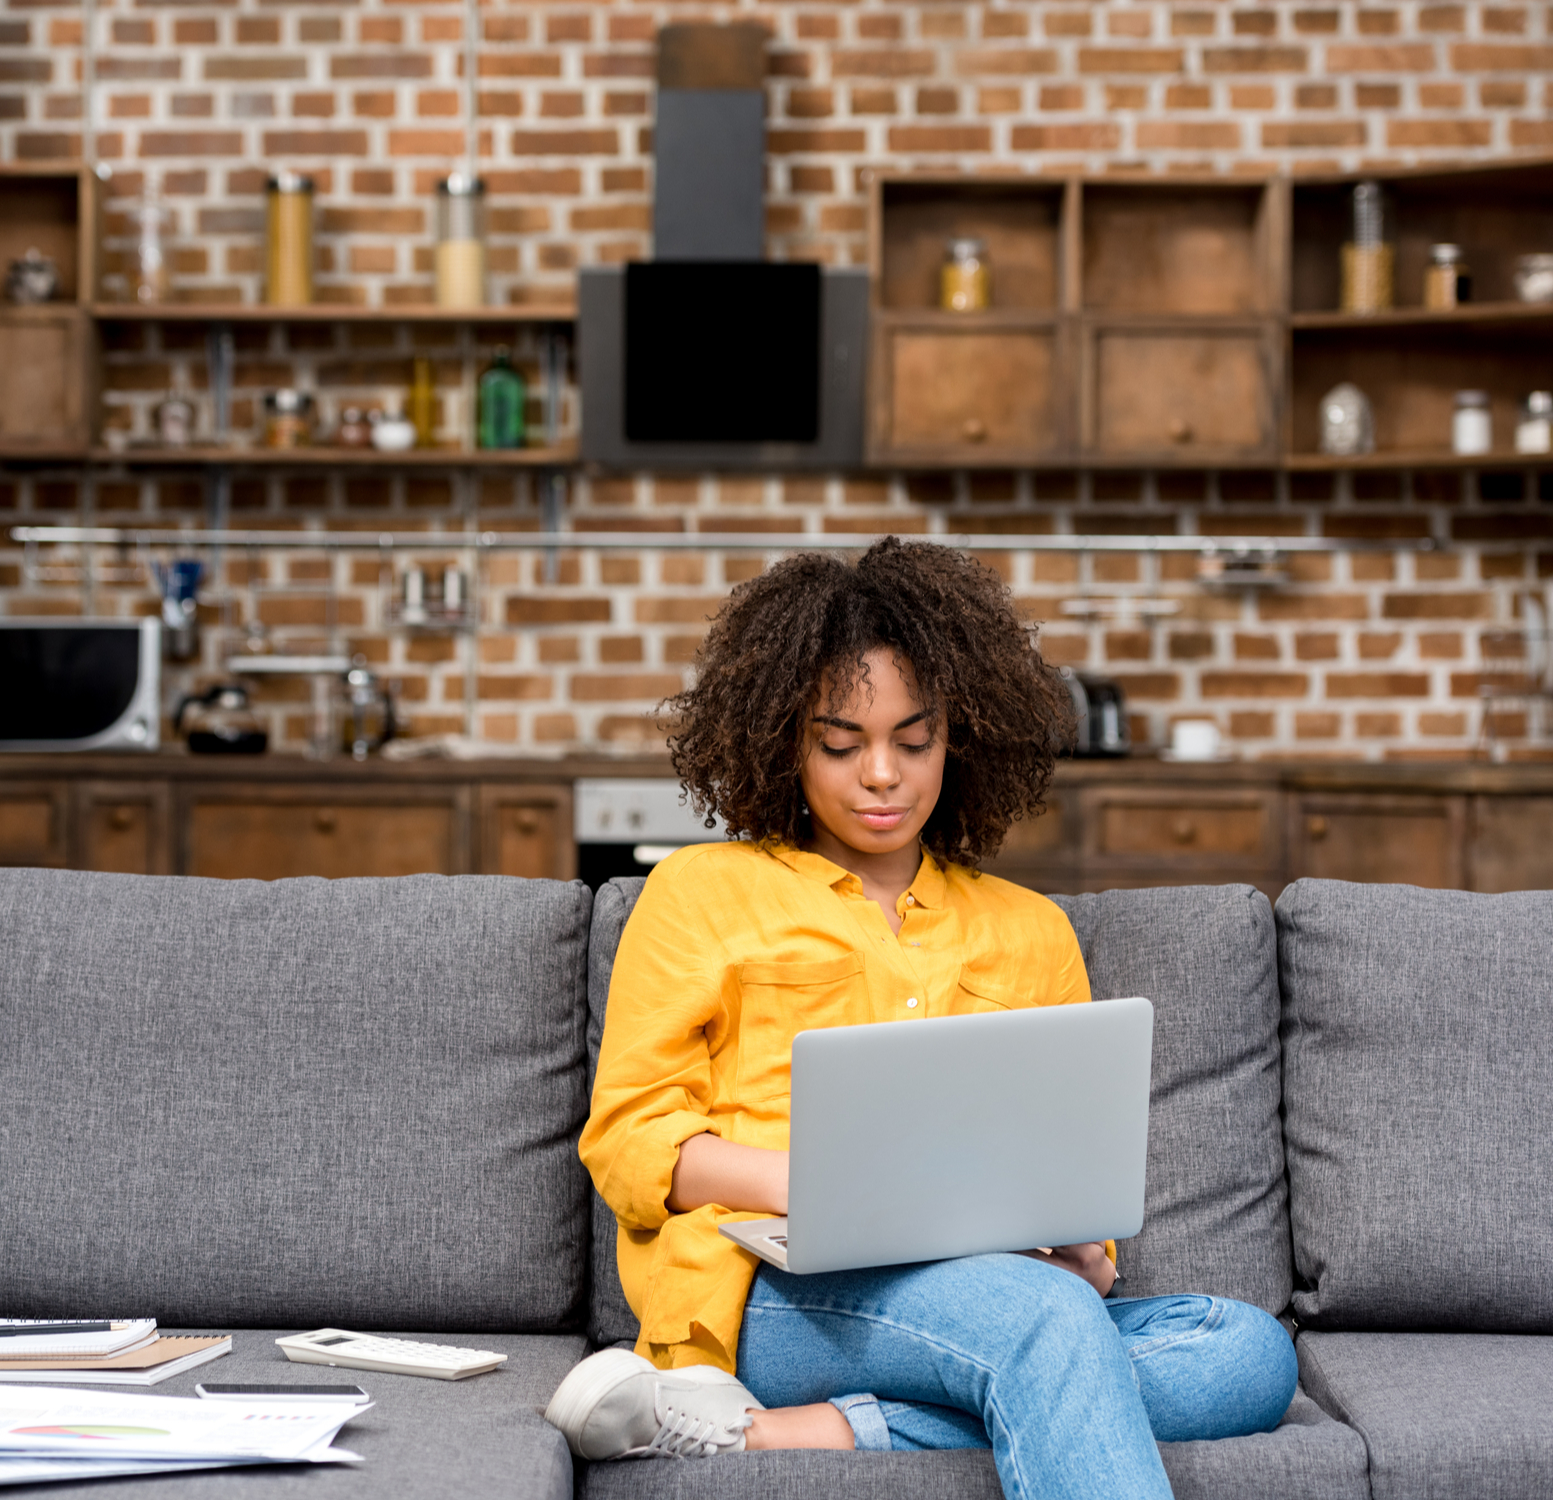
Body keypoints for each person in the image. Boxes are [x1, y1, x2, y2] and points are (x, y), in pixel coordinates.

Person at [542, 538, 1296, 1498]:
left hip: (994, 1291)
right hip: (776, 1291)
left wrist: (1076, 1255)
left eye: (914, 739)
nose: (883, 776)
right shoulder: (701, 891)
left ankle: (780, 1437)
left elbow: (1076, 1191)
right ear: (784, 740)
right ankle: (904, 1380)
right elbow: (631, 1140)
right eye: (841, 744)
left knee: (1247, 1352)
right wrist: (821, 1186)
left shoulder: (1030, 929)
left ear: (960, 737)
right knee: (1046, 1330)